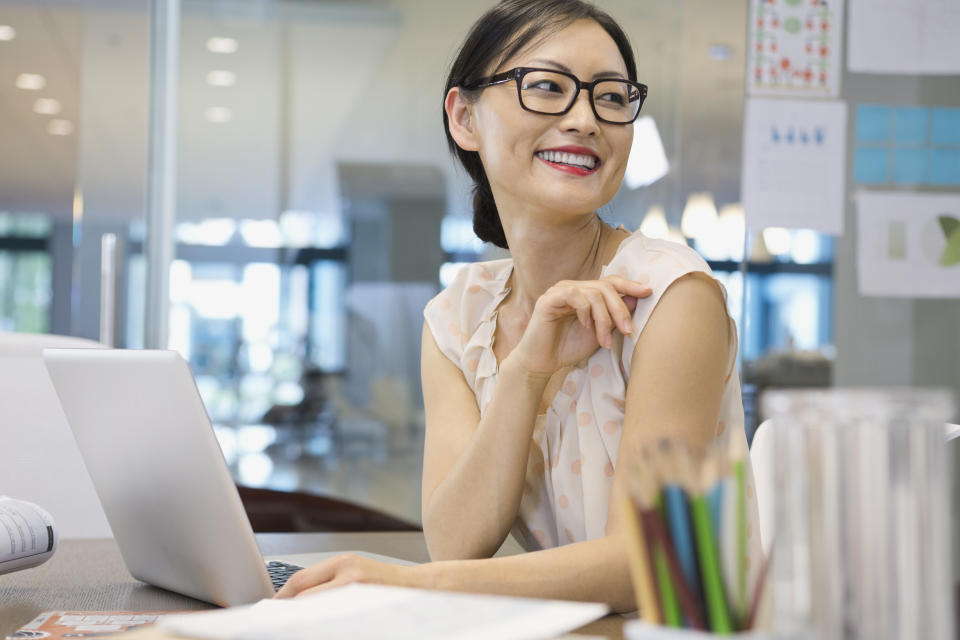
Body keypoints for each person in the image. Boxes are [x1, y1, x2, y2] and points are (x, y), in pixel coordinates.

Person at [277, 0, 760, 613]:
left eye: (611, 97)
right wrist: (526, 371)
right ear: (464, 117)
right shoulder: (459, 318)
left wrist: (408, 582)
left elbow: (648, 562)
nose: (585, 119)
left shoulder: (669, 295)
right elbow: (455, 541)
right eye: (549, 87)